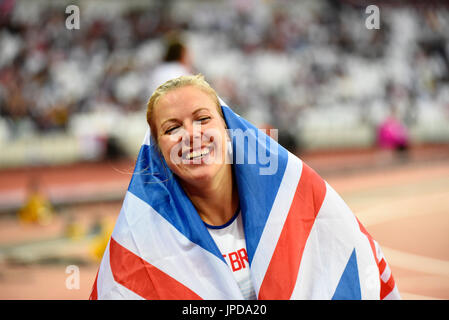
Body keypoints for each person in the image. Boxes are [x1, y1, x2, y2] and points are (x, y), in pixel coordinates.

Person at [90, 74, 400, 300]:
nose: (191, 135)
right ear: (158, 152)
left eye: (202, 118)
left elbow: (354, 265)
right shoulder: (141, 244)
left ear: (229, 130)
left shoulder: (292, 201)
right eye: (172, 128)